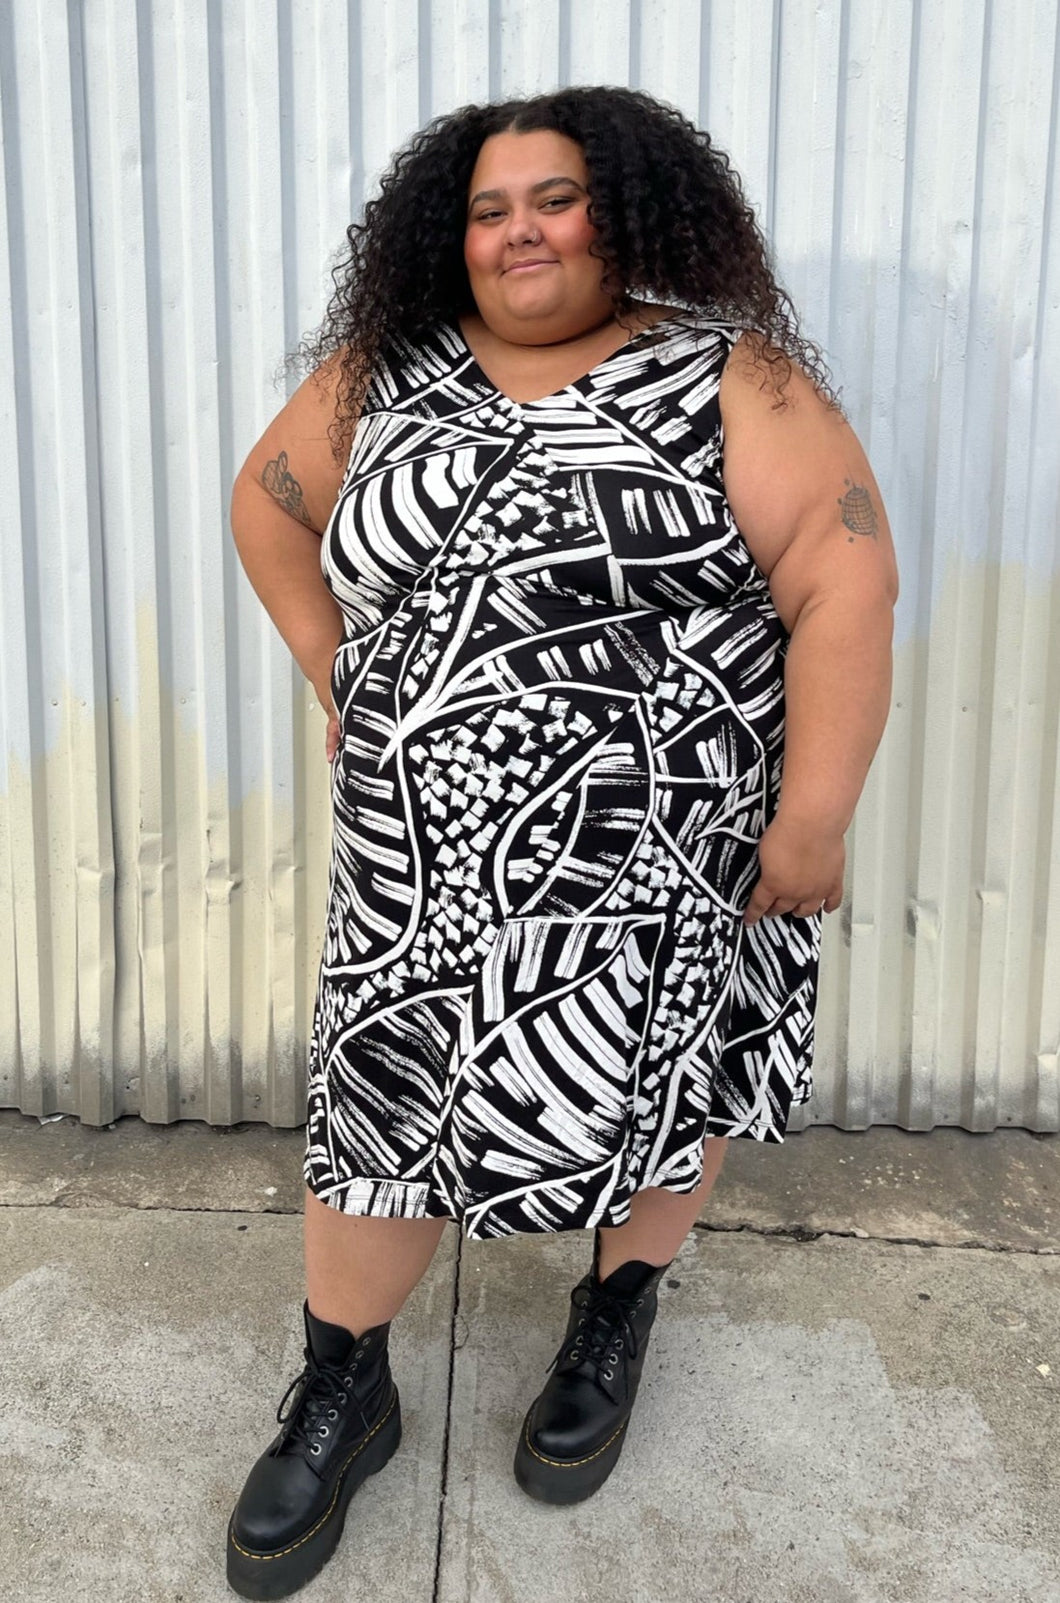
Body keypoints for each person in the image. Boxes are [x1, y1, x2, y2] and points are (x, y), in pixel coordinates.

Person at [225, 84, 897, 1599]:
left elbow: (845, 581)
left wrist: (815, 816)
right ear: (446, 237)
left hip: (669, 861)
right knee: (381, 1111)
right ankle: (346, 1383)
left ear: (632, 215)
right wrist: (344, 668)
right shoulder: (381, 374)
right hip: (418, 864)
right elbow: (269, 514)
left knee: (663, 1073)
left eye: (554, 197)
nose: (517, 228)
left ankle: (617, 1311)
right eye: (486, 207)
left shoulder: (730, 376)